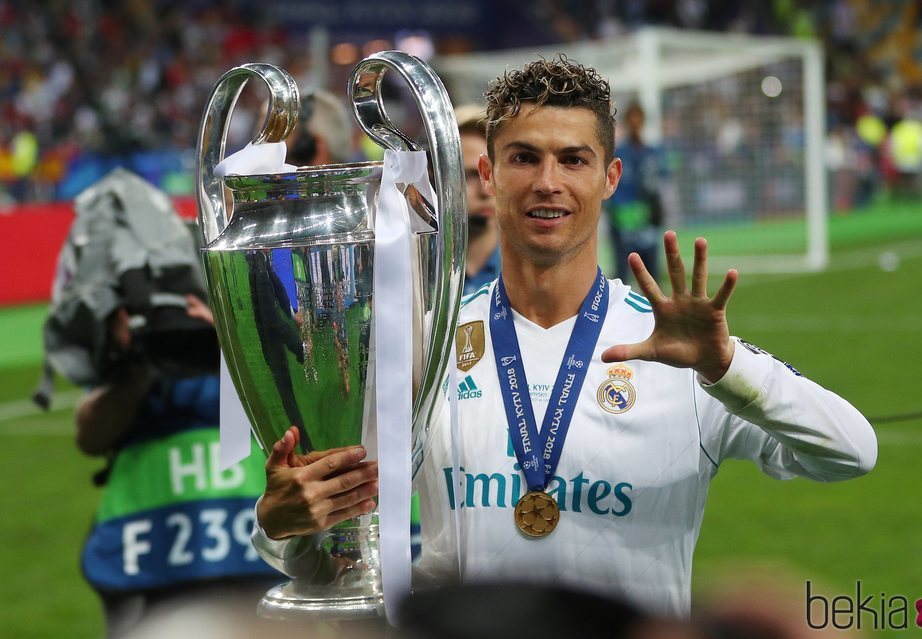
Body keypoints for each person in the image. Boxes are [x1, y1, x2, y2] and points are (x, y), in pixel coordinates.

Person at [252, 56, 877, 619]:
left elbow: (852, 452)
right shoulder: (428, 345)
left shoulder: (681, 355)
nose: (548, 182)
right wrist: (285, 526)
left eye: (574, 159)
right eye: (525, 157)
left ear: (610, 177)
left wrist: (728, 366)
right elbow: (330, 556)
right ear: (488, 174)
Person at [76, 295, 298, 639]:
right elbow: (90, 436)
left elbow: (297, 420)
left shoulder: (253, 315)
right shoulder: (135, 325)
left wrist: (233, 346)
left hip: (256, 548)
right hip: (147, 554)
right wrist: (140, 361)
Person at [605, 102, 667, 282]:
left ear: (643, 121)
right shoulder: (617, 153)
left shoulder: (652, 153)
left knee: (652, 278)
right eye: (632, 118)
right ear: (626, 121)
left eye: (638, 118)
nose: (635, 122)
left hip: (647, 221)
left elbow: (659, 186)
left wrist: (656, 212)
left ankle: (656, 311)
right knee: (621, 277)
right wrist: (616, 214)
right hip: (622, 222)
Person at [455, 103, 502, 294]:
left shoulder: (530, 275)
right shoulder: (416, 276)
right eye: (471, 175)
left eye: (492, 174)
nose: (485, 191)